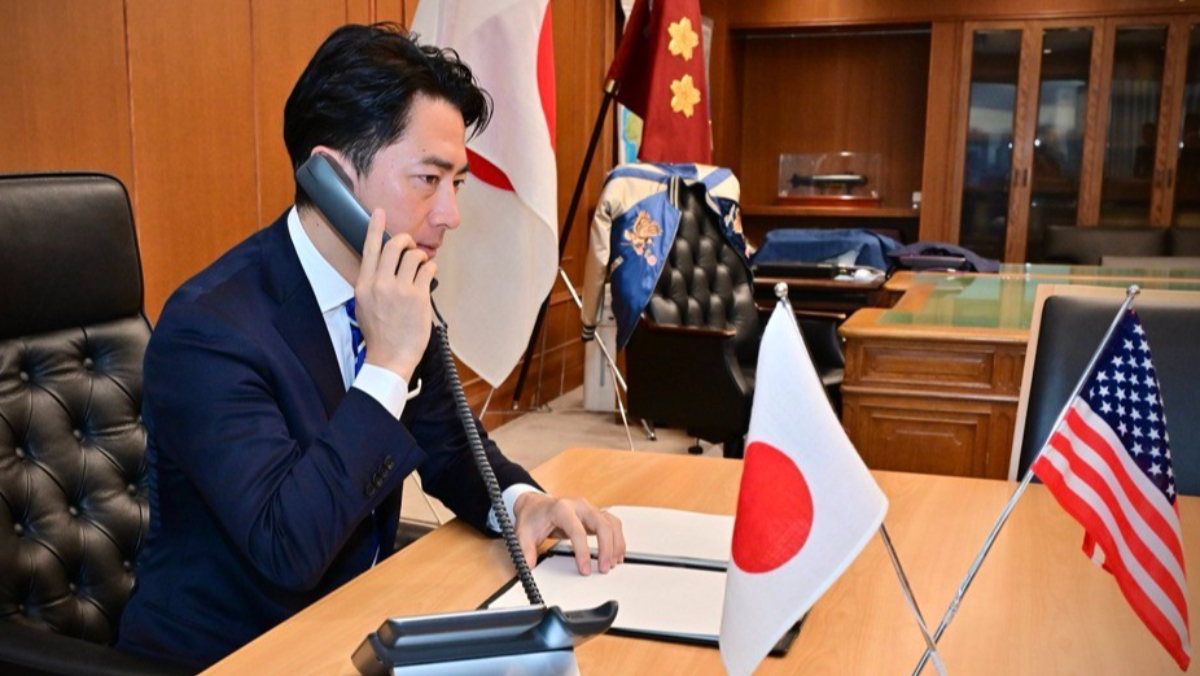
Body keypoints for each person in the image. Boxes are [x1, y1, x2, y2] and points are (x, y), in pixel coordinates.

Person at [115, 23, 625, 670]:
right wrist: (387, 364)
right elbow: (288, 547)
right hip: (233, 657)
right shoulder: (208, 330)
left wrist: (526, 504)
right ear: (330, 176)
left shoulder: (391, 288)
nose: (450, 214)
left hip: (352, 629)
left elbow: (450, 448)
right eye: (428, 179)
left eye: (457, 184)